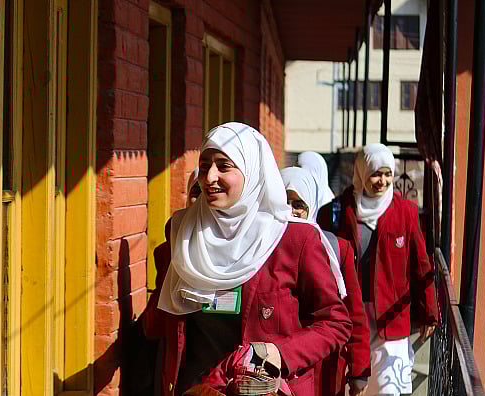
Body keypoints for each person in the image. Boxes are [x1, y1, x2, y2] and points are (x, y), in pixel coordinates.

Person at [142, 122, 352, 396]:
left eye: (223, 166)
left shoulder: (293, 238)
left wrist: (280, 353)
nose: (209, 177)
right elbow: (163, 320)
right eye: (204, 166)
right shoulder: (183, 231)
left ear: (252, 171)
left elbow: (336, 323)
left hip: (265, 389)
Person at [317, 143, 438, 395]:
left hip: (391, 316)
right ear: (362, 172)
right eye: (375, 173)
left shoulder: (405, 212)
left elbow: (420, 263)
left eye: (387, 174)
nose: (382, 181)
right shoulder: (340, 211)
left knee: (387, 389)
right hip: (352, 311)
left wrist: (430, 311)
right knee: (354, 384)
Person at [280, 167, 370, 396]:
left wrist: (359, 370)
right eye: (285, 202)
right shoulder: (261, 250)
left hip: (326, 368)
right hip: (281, 365)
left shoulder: (336, 249)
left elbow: (354, 313)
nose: (292, 211)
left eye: (299, 204)